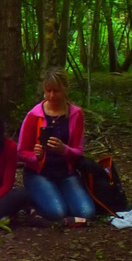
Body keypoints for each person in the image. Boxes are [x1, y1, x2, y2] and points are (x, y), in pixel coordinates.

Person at [17, 67, 95, 223]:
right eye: (48, 91)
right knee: (57, 212)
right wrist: (35, 156)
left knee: (87, 213)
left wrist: (64, 149)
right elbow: (20, 152)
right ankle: (32, 202)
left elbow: (78, 152)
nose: (52, 96)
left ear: (65, 89)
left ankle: (57, 195)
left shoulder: (76, 114)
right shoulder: (34, 116)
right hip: (38, 174)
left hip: (66, 173)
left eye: (56, 91)